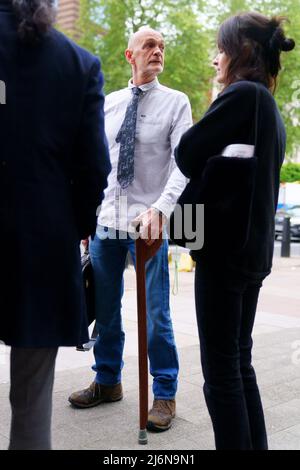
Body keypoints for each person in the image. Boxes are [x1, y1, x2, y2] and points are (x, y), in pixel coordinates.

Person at [175, 12, 295, 450]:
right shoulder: (267, 104)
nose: (215, 60)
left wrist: (216, 98)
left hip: (224, 255)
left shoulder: (242, 95)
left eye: (221, 50)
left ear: (239, 52)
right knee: (239, 365)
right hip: (251, 255)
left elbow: (187, 152)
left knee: (221, 375)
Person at [69, 27, 193, 432]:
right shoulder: (109, 103)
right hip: (107, 221)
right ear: (130, 55)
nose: (157, 52)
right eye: (149, 46)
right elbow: (96, 163)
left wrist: (160, 210)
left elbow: (182, 165)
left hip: (149, 225)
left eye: (161, 46)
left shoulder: (177, 102)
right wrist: (88, 216)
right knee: (105, 313)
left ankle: (164, 393)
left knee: (156, 314)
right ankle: (107, 381)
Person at [0, 0, 111, 450]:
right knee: (31, 400)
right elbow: (95, 168)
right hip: (42, 244)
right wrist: (76, 225)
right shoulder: (78, 63)